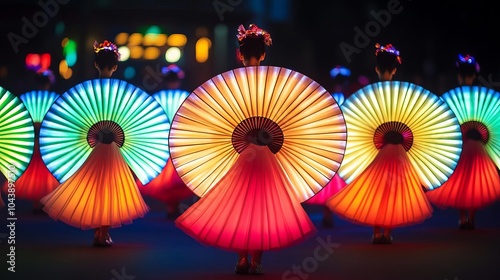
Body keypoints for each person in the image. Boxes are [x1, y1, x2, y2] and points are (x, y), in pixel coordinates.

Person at [371, 43, 401, 244]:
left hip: (375, 149)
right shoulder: (401, 94)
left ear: (376, 69)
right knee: (392, 190)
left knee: (375, 190)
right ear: (395, 70)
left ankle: (375, 233)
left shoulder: (368, 95)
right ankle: (388, 232)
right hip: (397, 150)